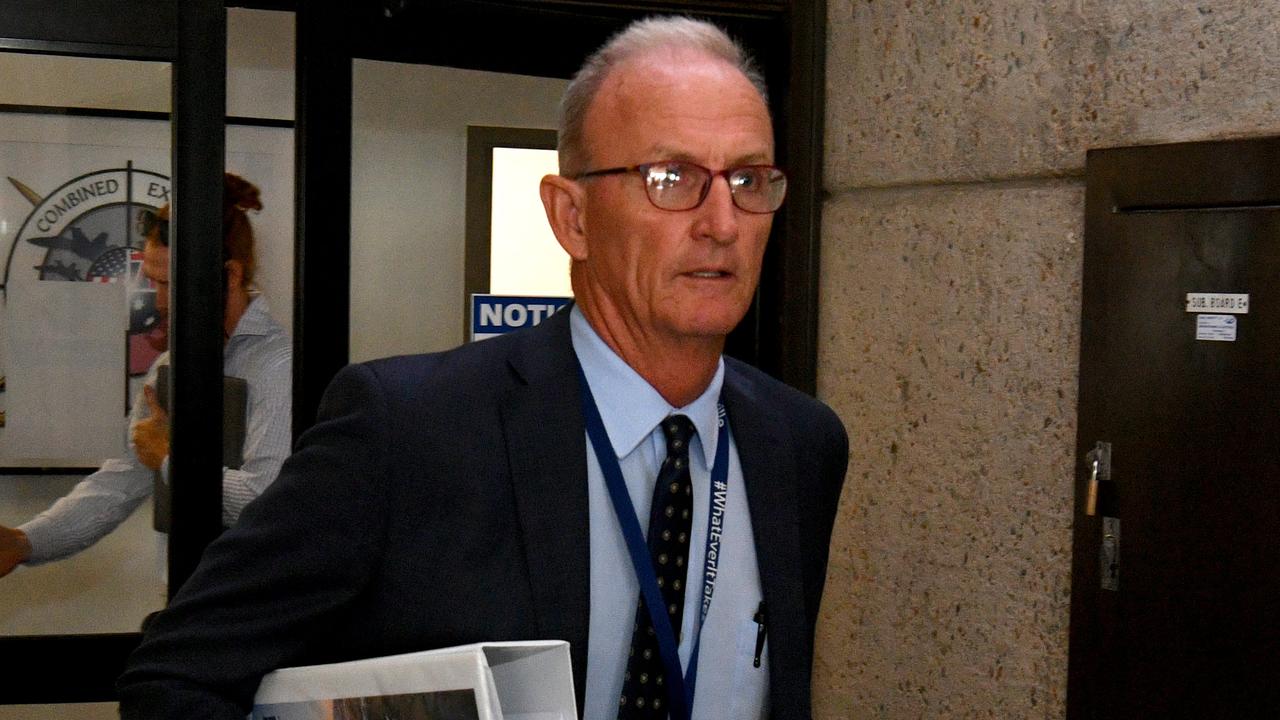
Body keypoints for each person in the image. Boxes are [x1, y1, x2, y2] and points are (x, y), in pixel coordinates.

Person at [117, 17, 847, 720]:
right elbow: (176, 678)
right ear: (573, 218)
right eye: (672, 176)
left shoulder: (800, 444)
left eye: (749, 181)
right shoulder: (409, 430)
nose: (722, 223)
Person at [0, 173, 292, 578]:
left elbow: (265, 500)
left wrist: (171, 459)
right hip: (189, 592)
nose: (157, 300)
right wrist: (23, 542)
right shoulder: (173, 364)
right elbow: (121, 481)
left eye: (169, 283)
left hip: (258, 605)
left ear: (230, 275)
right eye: (153, 281)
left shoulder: (278, 364)